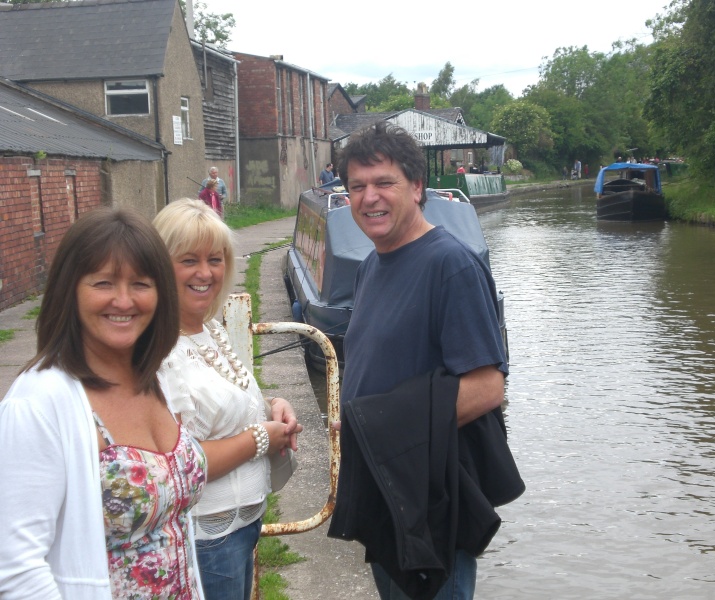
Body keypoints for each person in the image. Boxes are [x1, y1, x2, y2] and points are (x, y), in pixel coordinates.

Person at [327, 122, 524, 600]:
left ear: (416, 188)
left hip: (430, 498)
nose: (369, 197)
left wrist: (380, 428)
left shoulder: (449, 265)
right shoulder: (373, 264)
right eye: (357, 186)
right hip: (389, 489)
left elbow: (486, 387)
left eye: (384, 183)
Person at [0, 207, 207, 599]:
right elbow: (14, 570)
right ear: (70, 290)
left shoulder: (152, 378)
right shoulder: (38, 404)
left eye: (141, 284)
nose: (124, 300)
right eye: (103, 283)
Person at [153, 198, 303, 600]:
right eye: (189, 260)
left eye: (215, 259)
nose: (205, 273)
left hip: (240, 527)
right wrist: (261, 438)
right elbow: (177, 464)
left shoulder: (208, 327)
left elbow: (217, 404)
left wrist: (270, 406)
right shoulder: (158, 352)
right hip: (205, 537)